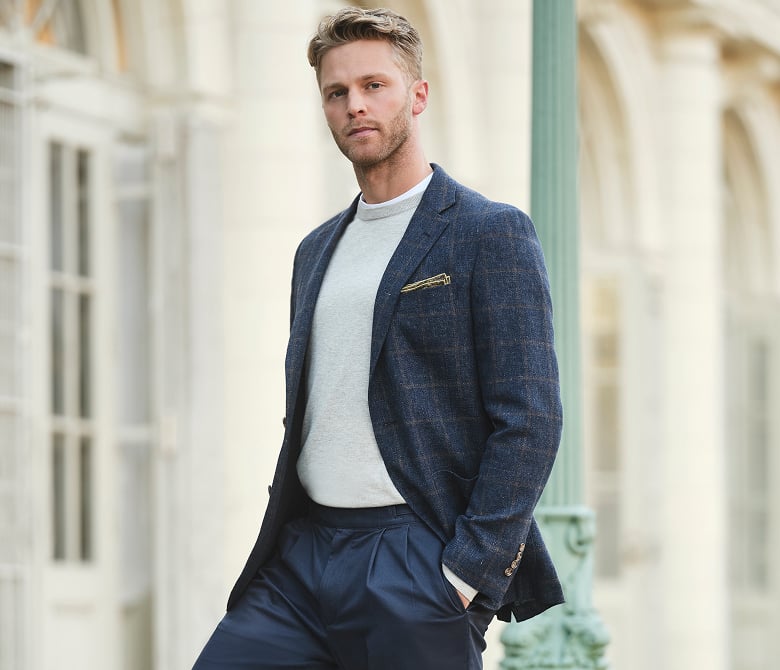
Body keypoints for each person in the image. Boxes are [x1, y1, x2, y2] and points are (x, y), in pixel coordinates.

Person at [194, 7, 563, 669]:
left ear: (417, 95)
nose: (354, 106)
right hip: (302, 555)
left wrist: (464, 574)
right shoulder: (315, 251)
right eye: (337, 93)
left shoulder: (488, 232)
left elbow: (529, 418)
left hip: (412, 552)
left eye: (373, 86)